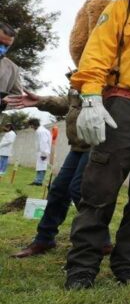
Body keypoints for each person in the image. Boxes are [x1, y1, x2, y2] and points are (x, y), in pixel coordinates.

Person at [8, 90, 115, 258]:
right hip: (78, 146)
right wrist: (40, 101)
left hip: (97, 142)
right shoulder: (80, 76)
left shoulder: (103, 72)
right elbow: (67, 104)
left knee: (79, 190)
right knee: (58, 190)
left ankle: (101, 240)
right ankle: (44, 239)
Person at [0, 22, 23, 108]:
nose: (2, 49)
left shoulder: (13, 69)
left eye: (6, 46)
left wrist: (3, 102)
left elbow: (17, 97)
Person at [29, 118, 51, 186]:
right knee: (40, 166)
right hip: (42, 151)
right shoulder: (41, 130)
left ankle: (39, 181)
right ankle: (37, 180)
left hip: (44, 151)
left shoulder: (41, 131)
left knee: (42, 167)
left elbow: (43, 142)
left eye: (31, 125)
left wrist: (43, 153)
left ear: (34, 124)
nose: (31, 127)